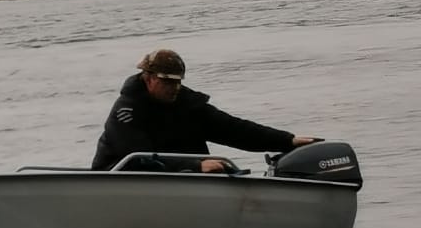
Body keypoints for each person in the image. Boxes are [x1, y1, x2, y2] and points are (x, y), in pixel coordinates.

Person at [90, 48, 317, 173]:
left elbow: (234, 129)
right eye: (168, 82)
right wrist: (195, 166)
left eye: (178, 81)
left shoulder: (188, 105)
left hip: (185, 184)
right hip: (123, 182)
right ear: (149, 79)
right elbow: (139, 159)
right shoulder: (127, 111)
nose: (175, 87)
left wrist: (287, 140)